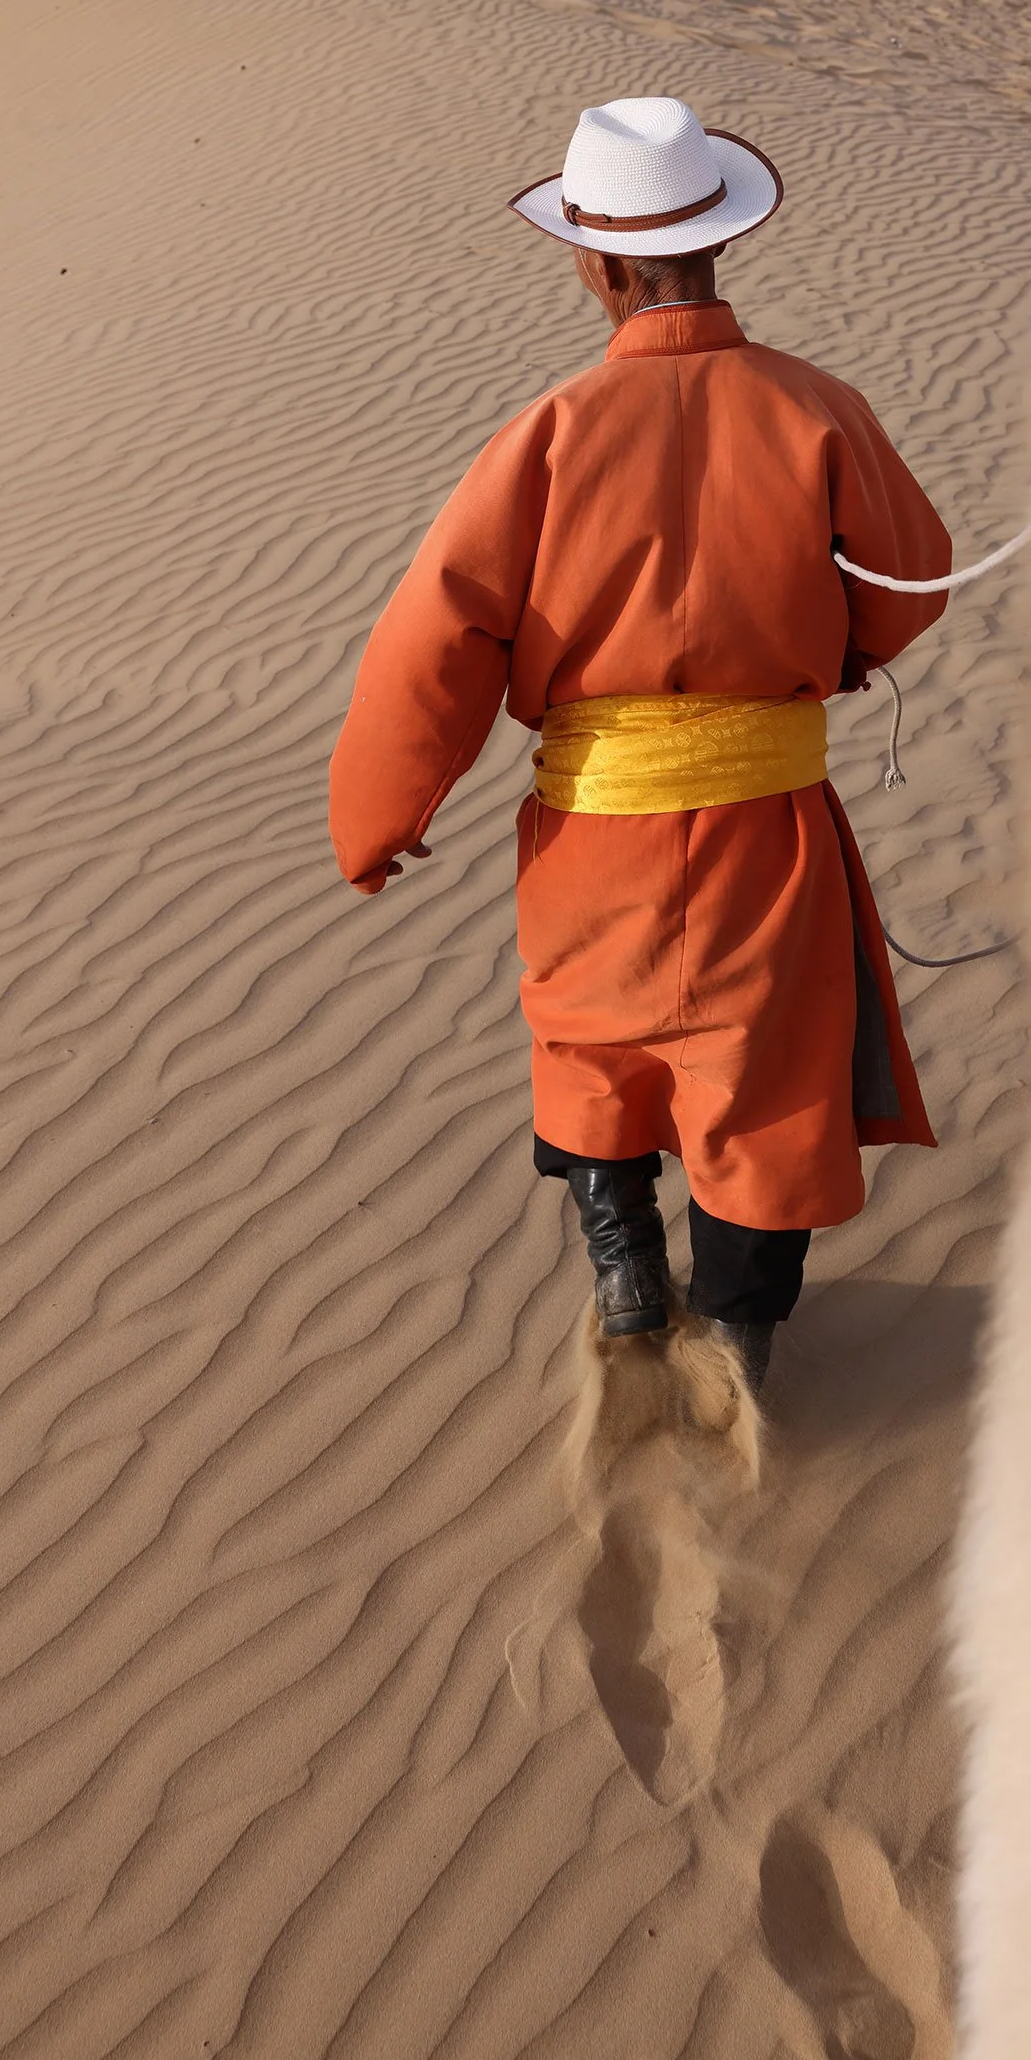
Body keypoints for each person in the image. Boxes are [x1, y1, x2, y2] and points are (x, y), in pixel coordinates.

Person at [328, 95, 952, 1402]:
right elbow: (910, 584)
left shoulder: (543, 435)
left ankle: (624, 1281)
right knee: (764, 1078)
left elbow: (437, 632)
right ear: (719, 247)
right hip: (766, 833)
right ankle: (737, 1339)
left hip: (592, 833)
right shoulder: (820, 411)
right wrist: (834, 657)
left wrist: (380, 819)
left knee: (589, 1044)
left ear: (599, 264)